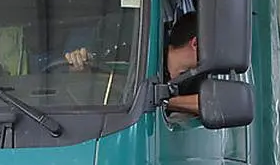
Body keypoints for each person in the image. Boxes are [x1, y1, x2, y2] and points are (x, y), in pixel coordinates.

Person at [65, 12, 200, 115]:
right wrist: (80, 71)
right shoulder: (135, 58)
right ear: (195, 43)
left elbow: (212, 103)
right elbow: (97, 97)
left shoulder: (200, 76)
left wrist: (162, 101)